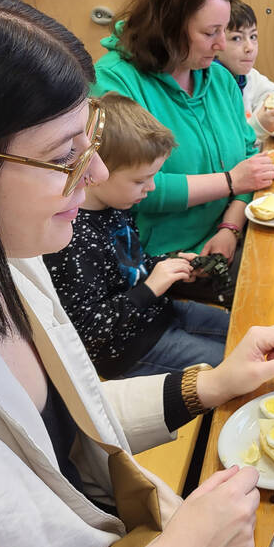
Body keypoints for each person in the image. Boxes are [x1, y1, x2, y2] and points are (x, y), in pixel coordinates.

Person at [0, 0, 274, 547]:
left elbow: (74, 416)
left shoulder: (10, 266)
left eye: (90, 140)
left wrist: (211, 383)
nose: (97, 175)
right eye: (64, 154)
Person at [92, 0, 274, 275]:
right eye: (210, 32)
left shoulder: (218, 79)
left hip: (231, 237)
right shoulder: (114, 82)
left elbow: (250, 162)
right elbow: (128, 188)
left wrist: (229, 227)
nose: (220, 45)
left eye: (224, 30)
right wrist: (230, 181)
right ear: (168, 29)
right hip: (165, 265)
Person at [43, 92, 229, 379]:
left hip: (160, 315)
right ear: (96, 171)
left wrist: (170, 266)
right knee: (233, 366)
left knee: (243, 328)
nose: (151, 188)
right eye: (141, 180)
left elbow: (130, 268)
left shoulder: (117, 205)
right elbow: (90, 328)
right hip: (131, 350)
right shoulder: (72, 238)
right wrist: (151, 288)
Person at [214, 0, 274, 141]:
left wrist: (262, 116)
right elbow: (230, 148)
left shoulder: (247, 76)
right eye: (236, 38)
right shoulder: (213, 86)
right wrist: (258, 126)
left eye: (253, 37)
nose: (249, 48)